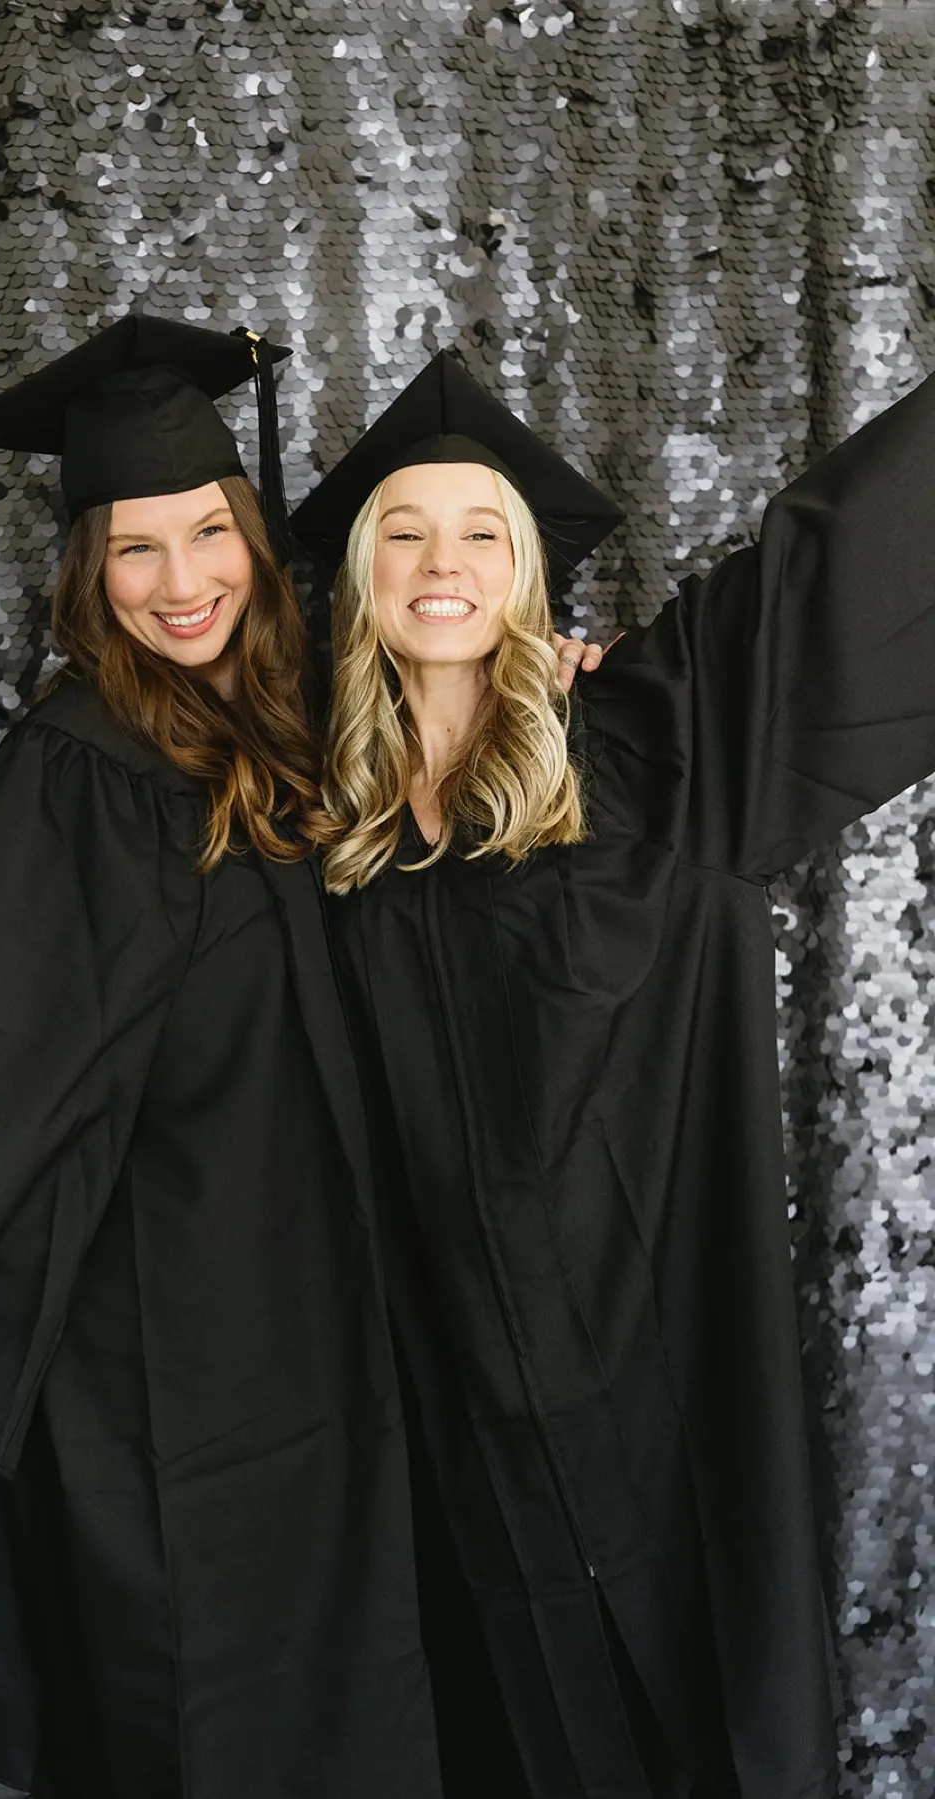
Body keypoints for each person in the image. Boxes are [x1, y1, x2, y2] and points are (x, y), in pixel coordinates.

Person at [0, 314, 451, 1799]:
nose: (182, 584)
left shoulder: (297, 726)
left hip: (327, 1323)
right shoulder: (85, 761)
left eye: (208, 534)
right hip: (170, 1343)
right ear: (86, 568)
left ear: (253, 537)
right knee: (199, 1707)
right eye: (135, 549)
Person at [292, 348, 935, 1799]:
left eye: (481, 534)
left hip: (660, 1402)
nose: (441, 564)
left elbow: (844, 568)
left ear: (528, 573)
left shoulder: (651, 745)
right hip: (443, 1431)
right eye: (403, 530)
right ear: (358, 574)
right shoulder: (307, 842)